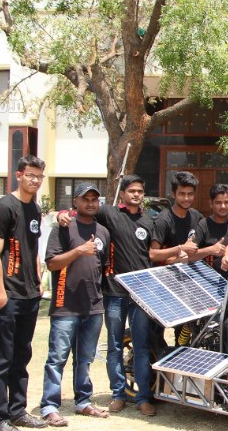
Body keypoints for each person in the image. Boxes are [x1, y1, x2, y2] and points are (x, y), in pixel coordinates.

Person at [57, 174, 155, 414]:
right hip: (113, 294)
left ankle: (143, 398)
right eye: (131, 191)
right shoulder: (108, 214)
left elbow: (155, 253)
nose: (135, 195)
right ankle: (118, 394)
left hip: (141, 295)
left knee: (142, 346)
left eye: (139, 191)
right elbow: (81, 211)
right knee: (114, 346)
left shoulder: (149, 221)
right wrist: (62, 214)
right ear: (122, 194)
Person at [40, 183, 111, 425]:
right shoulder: (64, 227)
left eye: (95, 199)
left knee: (85, 358)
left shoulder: (102, 231)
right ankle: (49, 406)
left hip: (93, 305)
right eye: (85, 199)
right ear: (76, 202)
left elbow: (104, 266)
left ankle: (83, 401)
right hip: (65, 305)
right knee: (57, 358)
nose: (91, 203)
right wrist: (79, 251)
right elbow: (51, 263)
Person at [0, 155, 47, 431]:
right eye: (31, 175)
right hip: (8, 294)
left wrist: (37, 281)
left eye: (39, 176)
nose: (35, 180)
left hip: (29, 293)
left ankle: (18, 410)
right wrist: (0, 292)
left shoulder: (34, 208)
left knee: (22, 354)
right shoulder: (4, 207)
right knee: (2, 357)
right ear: (19, 175)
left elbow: (32, 249)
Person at [149, 171, 204, 266]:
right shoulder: (163, 220)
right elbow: (153, 254)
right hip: (166, 274)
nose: (186, 198)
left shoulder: (196, 215)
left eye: (190, 194)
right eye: (182, 194)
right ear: (173, 194)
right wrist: (181, 248)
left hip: (190, 272)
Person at [195, 183, 228, 276]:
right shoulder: (203, 224)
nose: (223, 206)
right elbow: (190, 255)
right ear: (211, 204)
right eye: (218, 203)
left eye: (226, 202)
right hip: (208, 282)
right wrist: (209, 250)